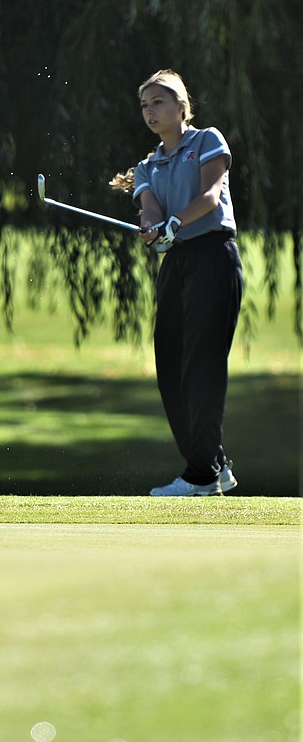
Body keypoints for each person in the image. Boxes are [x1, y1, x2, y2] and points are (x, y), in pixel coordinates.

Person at [111, 69, 244, 496]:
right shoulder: (147, 165)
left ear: (181, 107)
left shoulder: (207, 141)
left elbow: (209, 198)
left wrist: (174, 220)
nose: (150, 111)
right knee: (170, 362)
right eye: (145, 105)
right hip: (178, 263)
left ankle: (201, 474)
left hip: (213, 256)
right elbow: (147, 209)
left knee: (202, 363)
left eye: (159, 102)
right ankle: (212, 463)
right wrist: (152, 226)